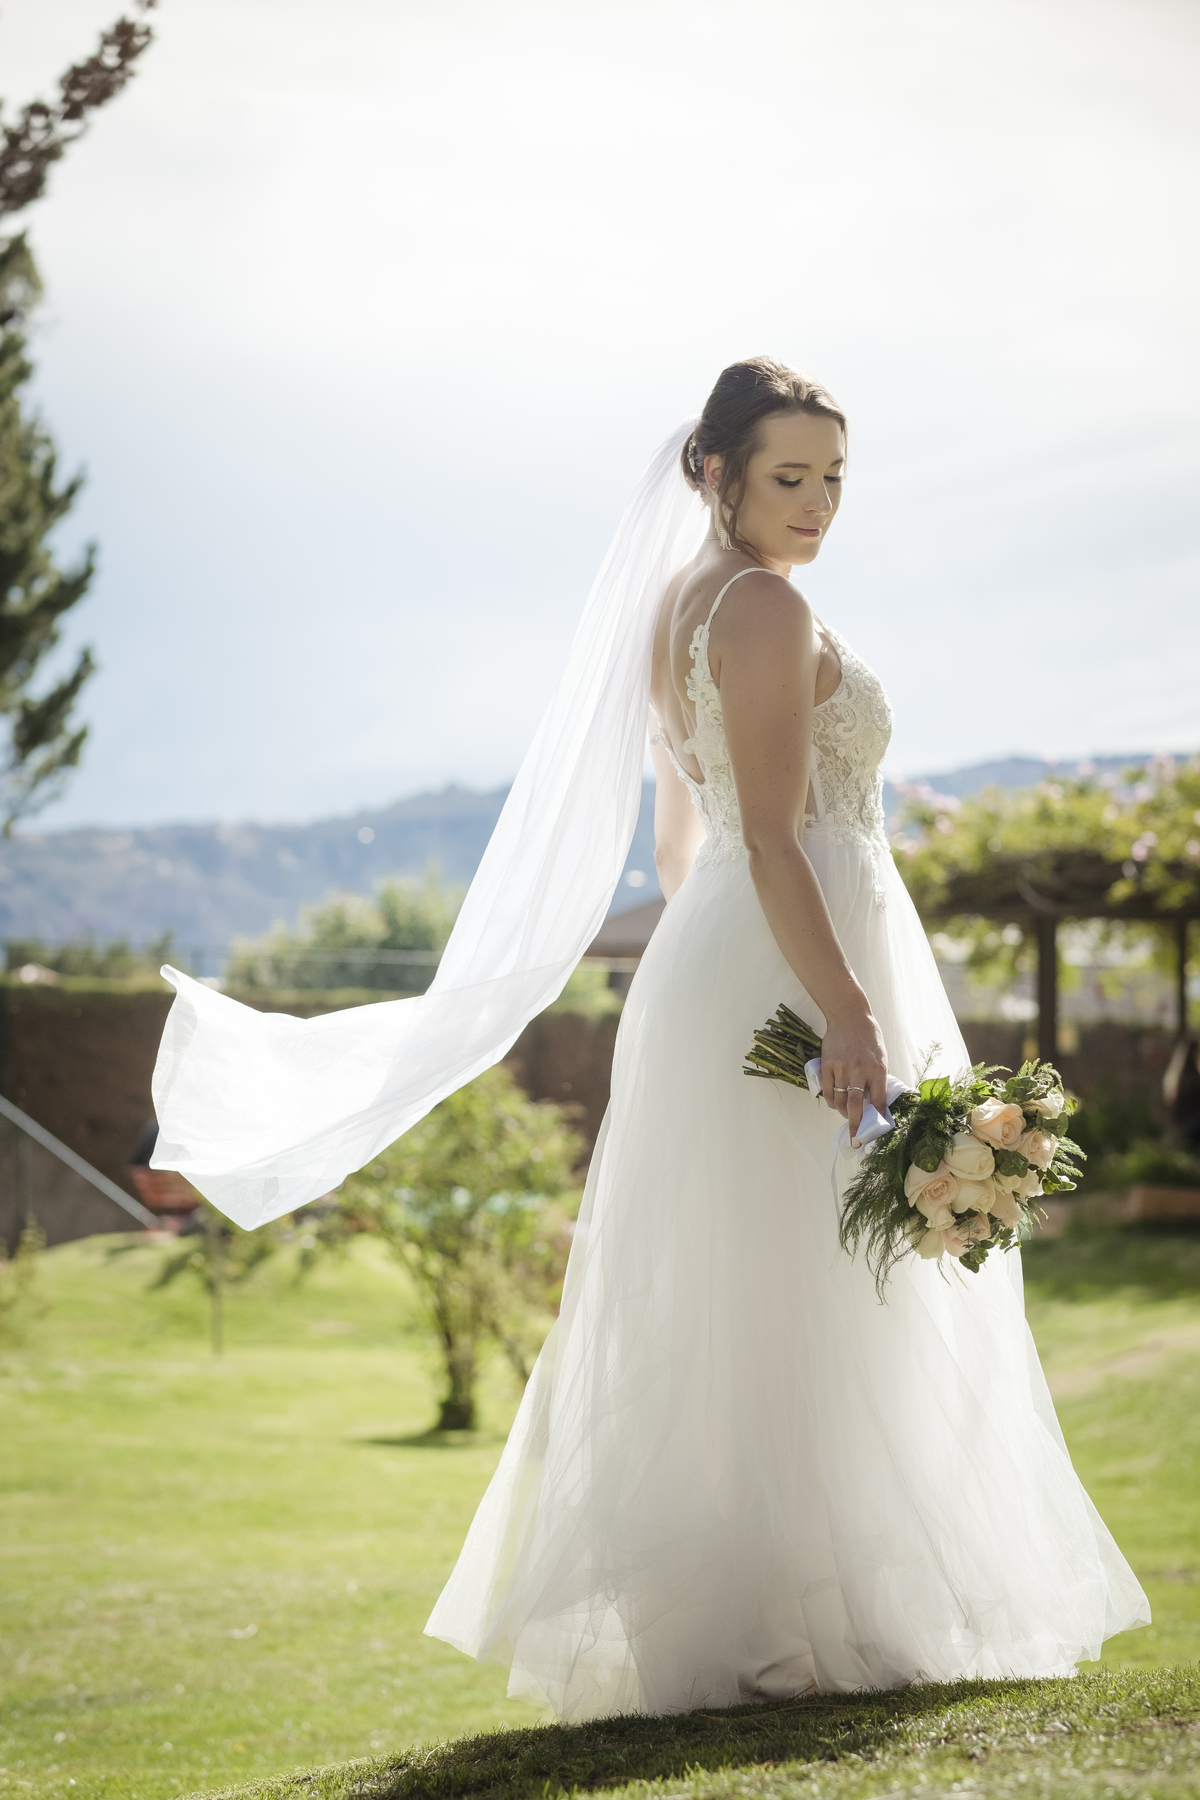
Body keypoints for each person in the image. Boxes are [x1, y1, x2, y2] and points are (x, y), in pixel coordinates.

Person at [423, 358, 1148, 1717]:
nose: (816, 506)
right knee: (817, 1280)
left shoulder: (678, 606)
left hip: (736, 950)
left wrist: (737, 959)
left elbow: (681, 831)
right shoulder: (759, 602)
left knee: (765, 1286)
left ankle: (773, 1623)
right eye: (788, 478)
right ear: (715, 471)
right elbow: (767, 832)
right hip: (800, 954)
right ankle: (804, 1625)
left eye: (833, 482)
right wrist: (851, 1012)